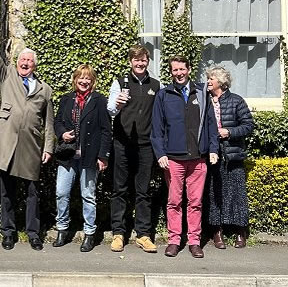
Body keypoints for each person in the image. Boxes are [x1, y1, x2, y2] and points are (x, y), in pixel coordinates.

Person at [0, 22, 55, 251]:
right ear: (17, 62)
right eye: (22, 60)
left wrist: (49, 147)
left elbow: (50, 122)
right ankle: (8, 233)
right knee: (7, 192)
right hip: (8, 144)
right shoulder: (7, 74)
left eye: (29, 61)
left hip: (31, 145)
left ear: (34, 65)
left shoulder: (45, 89)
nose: (25, 63)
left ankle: (33, 234)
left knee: (32, 192)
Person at [151, 55, 219, 259]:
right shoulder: (163, 95)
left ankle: (194, 242)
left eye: (182, 69)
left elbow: (211, 124)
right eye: (175, 70)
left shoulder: (201, 94)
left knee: (196, 202)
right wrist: (160, 153)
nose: (179, 73)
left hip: (198, 159)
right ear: (171, 72)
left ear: (189, 69)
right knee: (174, 202)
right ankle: (174, 240)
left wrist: (213, 148)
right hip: (173, 159)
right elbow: (157, 128)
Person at [52, 64, 111, 252]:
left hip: (89, 156)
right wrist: (62, 134)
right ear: (75, 79)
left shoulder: (99, 100)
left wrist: (103, 156)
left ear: (92, 81)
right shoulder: (66, 99)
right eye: (81, 78)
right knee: (61, 193)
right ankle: (62, 229)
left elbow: (106, 130)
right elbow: (57, 121)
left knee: (88, 196)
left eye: (88, 78)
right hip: (68, 155)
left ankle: (89, 234)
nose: (84, 81)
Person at [107, 45, 160, 253]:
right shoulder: (120, 83)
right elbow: (110, 108)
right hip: (122, 143)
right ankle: (118, 233)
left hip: (146, 145)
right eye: (136, 60)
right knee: (119, 190)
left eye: (143, 60)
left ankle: (143, 235)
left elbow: (160, 114)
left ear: (148, 61)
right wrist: (118, 104)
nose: (140, 63)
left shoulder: (156, 85)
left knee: (143, 191)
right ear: (130, 62)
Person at [204, 65, 254, 249]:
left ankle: (241, 232)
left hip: (232, 156)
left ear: (222, 82)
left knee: (237, 194)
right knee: (215, 193)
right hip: (212, 155)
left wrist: (229, 132)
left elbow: (248, 125)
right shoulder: (205, 101)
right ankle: (217, 232)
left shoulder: (236, 101)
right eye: (208, 78)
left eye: (212, 78)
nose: (208, 81)